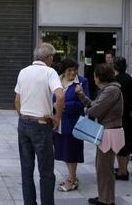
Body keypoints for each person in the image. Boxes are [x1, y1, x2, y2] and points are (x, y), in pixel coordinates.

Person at [14, 42, 64, 205]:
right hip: (41, 125)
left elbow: (17, 100)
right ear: (49, 57)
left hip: (24, 124)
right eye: (53, 57)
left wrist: (24, 115)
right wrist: (57, 117)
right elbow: (60, 96)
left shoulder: (23, 71)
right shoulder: (50, 72)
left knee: (26, 170)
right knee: (46, 172)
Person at [75, 63, 124, 205]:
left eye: (95, 75)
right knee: (103, 168)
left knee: (105, 169)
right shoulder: (109, 90)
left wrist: (86, 111)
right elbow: (94, 106)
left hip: (110, 133)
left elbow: (94, 110)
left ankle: (106, 200)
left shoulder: (111, 90)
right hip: (107, 131)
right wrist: (81, 95)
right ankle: (105, 197)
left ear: (99, 77)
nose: (94, 78)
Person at [53, 58, 89, 192]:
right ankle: (72, 176)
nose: (72, 73)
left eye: (74, 70)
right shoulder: (57, 80)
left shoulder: (82, 82)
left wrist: (62, 106)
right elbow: (51, 98)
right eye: (69, 70)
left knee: (72, 151)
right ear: (64, 70)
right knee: (63, 151)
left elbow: (83, 104)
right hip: (58, 122)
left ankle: (72, 180)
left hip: (73, 123)